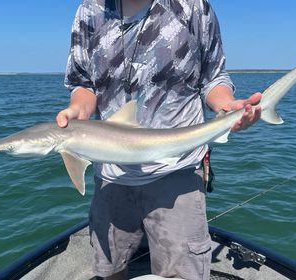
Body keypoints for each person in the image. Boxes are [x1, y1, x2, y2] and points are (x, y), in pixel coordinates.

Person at [57, 0, 261, 279]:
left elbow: (213, 77)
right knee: (109, 271)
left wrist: (227, 107)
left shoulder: (191, 7)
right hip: (112, 176)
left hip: (177, 171)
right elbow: (84, 84)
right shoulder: (89, 11)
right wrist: (77, 110)